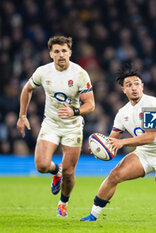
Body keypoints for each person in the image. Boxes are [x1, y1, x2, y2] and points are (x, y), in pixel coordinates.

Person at [80, 64, 156, 222]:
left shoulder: (151, 104)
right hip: (143, 154)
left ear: (142, 86)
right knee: (114, 175)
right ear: (123, 90)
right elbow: (113, 140)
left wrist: (122, 143)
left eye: (137, 84)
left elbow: (149, 137)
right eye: (129, 85)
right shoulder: (122, 113)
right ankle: (93, 215)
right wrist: (102, 148)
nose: (134, 88)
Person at [17, 36, 95, 217]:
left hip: (73, 126)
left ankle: (63, 203)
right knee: (42, 165)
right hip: (51, 123)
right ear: (51, 54)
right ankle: (56, 171)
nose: (61, 54)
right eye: (57, 51)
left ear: (70, 53)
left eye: (64, 51)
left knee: (70, 172)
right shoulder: (43, 72)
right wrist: (22, 116)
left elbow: (90, 105)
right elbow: (27, 89)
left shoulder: (80, 74)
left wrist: (74, 112)